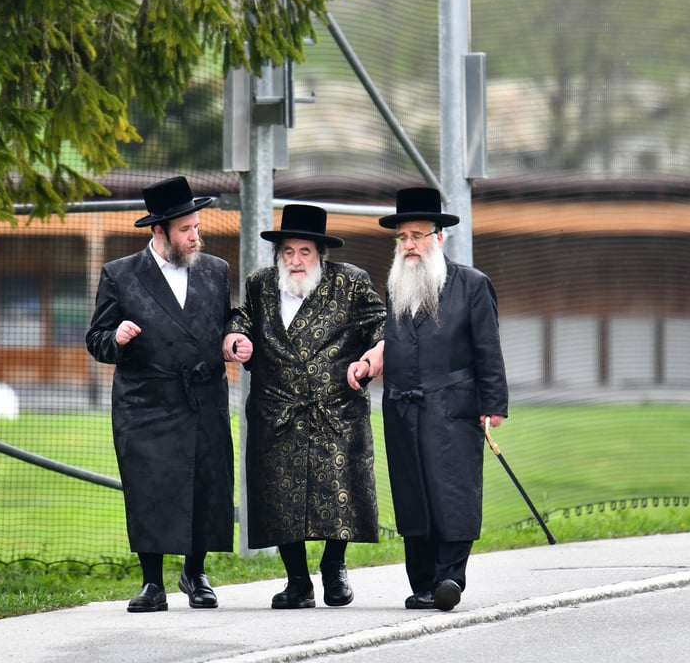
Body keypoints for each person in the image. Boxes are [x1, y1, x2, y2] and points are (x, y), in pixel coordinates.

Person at [223, 204, 385, 609]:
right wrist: (234, 341)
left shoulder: (350, 282)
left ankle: (334, 568)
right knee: (278, 496)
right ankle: (297, 582)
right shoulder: (261, 284)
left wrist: (371, 358)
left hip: (336, 408)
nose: (295, 261)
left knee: (339, 490)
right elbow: (240, 321)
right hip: (276, 410)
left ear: (320, 254)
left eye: (304, 252)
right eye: (288, 252)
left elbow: (382, 324)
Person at [85, 175, 235, 613]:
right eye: (186, 229)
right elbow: (96, 338)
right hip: (145, 402)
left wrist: (235, 336)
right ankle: (153, 583)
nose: (195, 236)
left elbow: (229, 320)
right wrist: (117, 336)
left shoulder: (216, 270)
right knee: (149, 489)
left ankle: (196, 572)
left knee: (205, 485)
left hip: (203, 397)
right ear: (159, 231)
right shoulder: (121, 274)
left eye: (197, 226)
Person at [373, 187, 509, 612]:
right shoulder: (396, 287)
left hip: (453, 408)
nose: (410, 244)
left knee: (452, 492)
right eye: (403, 237)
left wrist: (494, 404)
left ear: (439, 237)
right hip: (401, 409)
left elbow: (488, 349)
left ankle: (450, 578)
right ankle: (423, 583)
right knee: (412, 495)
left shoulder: (471, 284)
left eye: (418, 235)